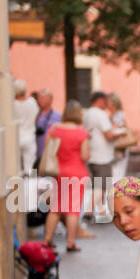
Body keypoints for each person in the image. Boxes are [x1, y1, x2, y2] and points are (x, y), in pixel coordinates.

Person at [43, 101, 91, 252]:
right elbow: (85, 156)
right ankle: (70, 242)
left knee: (56, 208)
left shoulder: (54, 129)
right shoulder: (81, 132)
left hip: (59, 172)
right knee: (72, 209)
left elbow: (47, 149)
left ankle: (47, 239)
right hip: (77, 173)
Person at [83, 91, 123, 224]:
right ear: (100, 100)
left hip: (92, 154)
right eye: (105, 101)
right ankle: (88, 212)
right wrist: (121, 133)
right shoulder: (100, 114)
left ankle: (101, 213)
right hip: (102, 156)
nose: (106, 104)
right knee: (102, 186)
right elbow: (109, 135)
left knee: (97, 185)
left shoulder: (87, 113)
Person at [13, 79, 39, 174]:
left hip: (16, 137)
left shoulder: (12, 104)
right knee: (30, 168)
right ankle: (30, 188)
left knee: (15, 169)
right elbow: (36, 118)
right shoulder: (32, 102)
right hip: (29, 136)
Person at [108, 93, 130, 184]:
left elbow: (122, 130)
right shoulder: (113, 115)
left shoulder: (119, 115)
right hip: (114, 148)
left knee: (117, 173)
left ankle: (115, 195)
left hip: (120, 148)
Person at [34, 89, 60, 162]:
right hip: (34, 153)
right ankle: (32, 174)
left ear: (51, 100)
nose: (40, 101)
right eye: (39, 98)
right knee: (32, 172)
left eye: (43, 98)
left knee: (47, 172)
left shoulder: (57, 116)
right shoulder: (34, 114)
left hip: (49, 155)